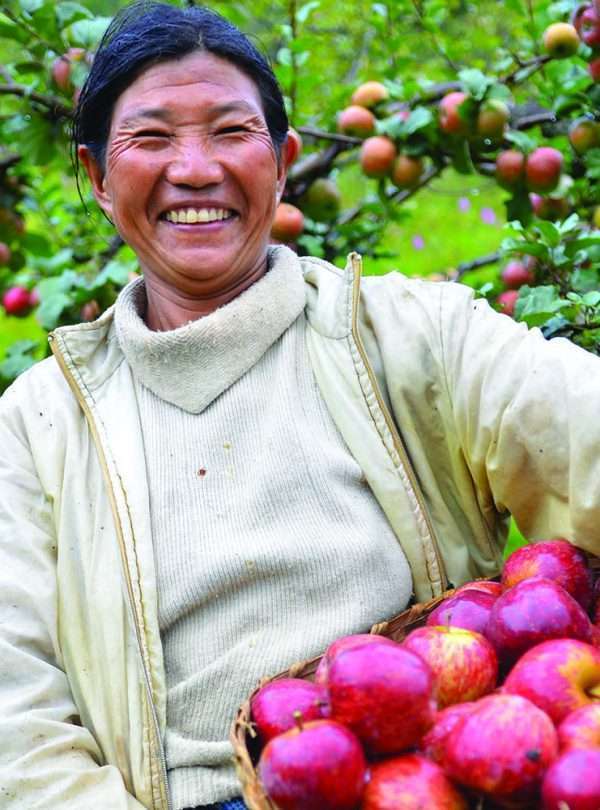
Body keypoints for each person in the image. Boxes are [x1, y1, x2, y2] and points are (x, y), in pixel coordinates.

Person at [1, 2, 600, 809]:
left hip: (414, 780)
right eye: (150, 138)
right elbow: (18, 725)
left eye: (229, 130)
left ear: (282, 162)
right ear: (101, 178)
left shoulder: (410, 335)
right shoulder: (36, 425)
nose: (195, 168)